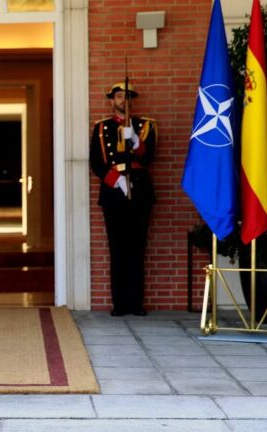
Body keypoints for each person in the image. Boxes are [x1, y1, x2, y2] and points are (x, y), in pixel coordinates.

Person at [89, 82, 156, 317]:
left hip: (139, 191)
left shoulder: (146, 126)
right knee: (117, 248)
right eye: (119, 96)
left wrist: (136, 141)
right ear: (112, 101)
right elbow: (96, 162)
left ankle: (136, 303)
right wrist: (115, 180)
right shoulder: (101, 128)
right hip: (113, 191)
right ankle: (120, 304)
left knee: (137, 248)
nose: (123, 100)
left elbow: (149, 158)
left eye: (127, 96)